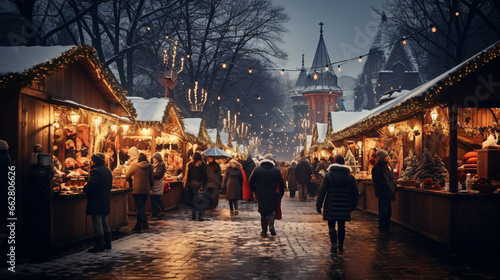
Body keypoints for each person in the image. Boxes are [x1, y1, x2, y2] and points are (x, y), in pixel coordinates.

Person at [316, 155, 358, 253]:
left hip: (331, 204)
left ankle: (334, 244)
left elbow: (322, 191)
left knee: (331, 226)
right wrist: (353, 205)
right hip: (344, 205)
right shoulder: (350, 177)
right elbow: (355, 193)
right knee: (341, 226)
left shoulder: (328, 175)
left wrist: (319, 204)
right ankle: (341, 245)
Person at [248, 153, 285, 237]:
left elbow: (250, 182)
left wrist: (254, 190)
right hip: (272, 193)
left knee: (263, 212)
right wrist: (281, 194)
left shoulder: (257, 170)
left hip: (261, 193)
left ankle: (264, 230)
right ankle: (271, 225)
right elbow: (281, 183)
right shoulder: (276, 170)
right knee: (271, 210)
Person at [83, 153, 113, 253]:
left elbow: (93, 185)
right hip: (105, 199)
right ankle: (108, 243)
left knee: (97, 222)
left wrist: (85, 188)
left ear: (94, 161)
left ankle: (99, 245)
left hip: (97, 199)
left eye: (92, 160)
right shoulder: (107, 170)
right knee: (105, 222)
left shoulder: (95, 171)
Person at [125, 152, 154, 233]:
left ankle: (144, 224)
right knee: (141, 207)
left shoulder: (135, 166)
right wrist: (150, 186)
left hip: (137, 189)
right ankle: (138, 226)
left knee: (140, 208)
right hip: (146, 190)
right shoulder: (150, 166)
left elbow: (127, 176)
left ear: (139, 159)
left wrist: (130, 183)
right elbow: (151, 179)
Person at [371, 149, 397, 235]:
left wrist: (393, 183)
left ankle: (386, 227)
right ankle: (382, 228)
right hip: (383, 192)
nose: (388, 157)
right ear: (382, 157)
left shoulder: (386, 166)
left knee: (388, 211)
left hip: (387, 192)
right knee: (383, 211)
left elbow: (389, 177)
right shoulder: (377, 168)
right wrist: (389, 184)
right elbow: (377, 181)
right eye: (386, 156)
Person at [183, 152, 208, 221]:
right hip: (200, 185)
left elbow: (188, 176)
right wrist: (204, 184)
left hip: (192, 185)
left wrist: (186, 185)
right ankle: (200, 216)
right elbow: (205, 175)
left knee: (192, 200)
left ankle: (193, 215)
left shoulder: (190, 165)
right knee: (200, 201)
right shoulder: (202, 164)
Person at [150, 152, 166, 219]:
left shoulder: (161, 165)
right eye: (153, 158)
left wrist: (151, 174)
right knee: (155, 199)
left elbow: (158, 175)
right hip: (155, 184)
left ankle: (157, 213)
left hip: (158, 185)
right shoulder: (155, 165)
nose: (154, 159)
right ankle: (157, 213)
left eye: (155, 158)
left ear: (158, 158)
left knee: (155, 199)